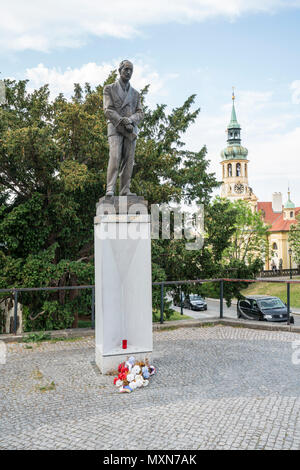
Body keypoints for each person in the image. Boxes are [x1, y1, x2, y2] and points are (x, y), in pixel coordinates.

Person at [103, 60, 144, 196]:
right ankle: (110, 188)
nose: (128, 72)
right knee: (114, 157)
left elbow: (140, 113)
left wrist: (130, 120)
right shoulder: (109, 89)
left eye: (131, 70)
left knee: (129, 160)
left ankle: (125, 190)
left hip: (130, 130)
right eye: (126, 69)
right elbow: (108, 110)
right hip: (115, 128)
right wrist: (122, 121)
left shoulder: (136, 94)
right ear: (119, 70)